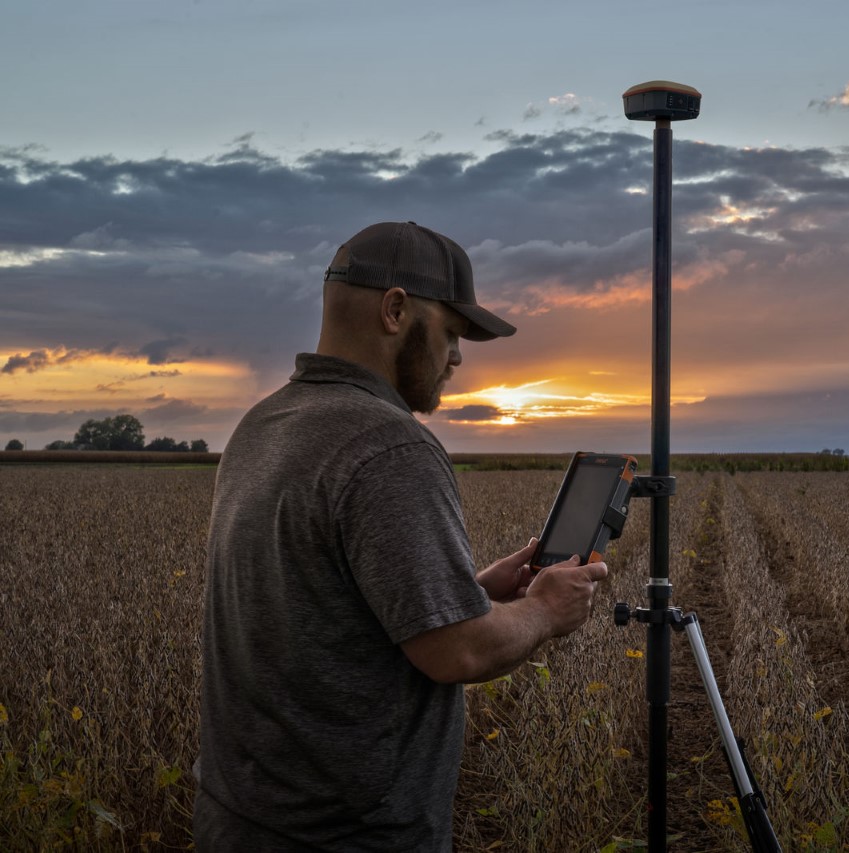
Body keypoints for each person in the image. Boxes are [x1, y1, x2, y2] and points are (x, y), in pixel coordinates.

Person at [194, 221, 607, 851]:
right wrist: (546, 610)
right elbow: (456, 653)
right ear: (395, 310)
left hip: (237, 817)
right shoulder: (387, 444)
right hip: (345, 834)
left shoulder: (264, 422)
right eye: (451, 331)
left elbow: (324, 610)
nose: (460, 358)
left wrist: (467, 592)